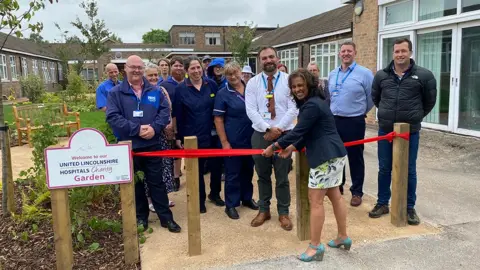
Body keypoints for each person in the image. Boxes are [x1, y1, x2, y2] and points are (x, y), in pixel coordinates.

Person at [263, 68, 351, 262]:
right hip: (335, 154)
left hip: (324, 157)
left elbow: (299, 130)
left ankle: (315, 246)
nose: (297, 89)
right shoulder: (315, 103)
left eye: (300, 85)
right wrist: (292, 147)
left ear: (309, 84)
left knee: (316, 200)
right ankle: (343, 236)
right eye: (294, 86)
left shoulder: (311, 106)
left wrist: (274, 146)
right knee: (335, 195)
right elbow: (308, 132)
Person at [106, 55, 181, 233]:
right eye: (133, 67)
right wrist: (137, 129)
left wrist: (155, 128)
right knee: (137, 184)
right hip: (130, 147)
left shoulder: (154, 91)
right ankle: (141, 218)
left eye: (140, 67)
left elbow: (164, 112)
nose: (137, 71)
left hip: (152, 145)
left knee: (157, 182)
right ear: (126, 68)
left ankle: (166, 218)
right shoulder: (115, 93)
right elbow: (113, 117)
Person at [370, 38, 437, 225]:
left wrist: (415, 116)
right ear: (393, 53)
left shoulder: (424, 76)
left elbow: (429, 101)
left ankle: (409, 207)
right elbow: (376, 97)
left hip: (410, 132)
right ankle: (382, 203)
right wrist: (387, 114)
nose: (400, 55)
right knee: (384, 168)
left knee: (409, 170)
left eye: (403, 51)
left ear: (410, 52)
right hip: (386, 130)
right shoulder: (382, 76)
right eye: (397, 51)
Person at [245, 46, 298, 230]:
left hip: (284, 134)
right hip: (261, 134)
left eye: (271, 57)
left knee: (282, 176)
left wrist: (278, 129)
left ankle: (283, 212)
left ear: (277, 58)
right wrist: (267, 128)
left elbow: (294, 108)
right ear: (260, 61)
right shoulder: (252, 83)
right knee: (262, 175)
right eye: (264, 58)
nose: (268, 60)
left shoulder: (289, 80)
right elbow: (251, 110)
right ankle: (264, 209)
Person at [173, 56, 224, 213]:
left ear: (202, 68)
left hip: (213, 134)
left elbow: (219, 108)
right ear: (187, 71)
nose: (196, 71)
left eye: (198, 67)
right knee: (197, 170)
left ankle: (214, 194)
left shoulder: (212, 85)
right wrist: (177, 137)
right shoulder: (181, 89)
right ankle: (199, 199)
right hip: (193, 136)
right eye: (192, 68)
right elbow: (177, 115)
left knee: (216, 167)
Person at [327, 41, 374, 206]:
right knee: (336, 155)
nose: (346, 54)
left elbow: (371, 97)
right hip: (334, 120)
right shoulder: (333, 74)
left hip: (354, 120)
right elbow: (330, 96)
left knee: (355, 157)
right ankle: (338, 186)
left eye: (349, 51)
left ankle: (357, 192)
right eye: (343, 51)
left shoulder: (365, 74)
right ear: (339, 54)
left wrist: (360, 111)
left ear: (355, 53)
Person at [213, 62, 258, 219]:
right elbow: (218, 119)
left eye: (235, 72)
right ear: (225, 76)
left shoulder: (251, 89)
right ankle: (231, 204)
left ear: (241, 72)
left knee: (248, 170)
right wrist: (224, 142)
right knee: (232, 173)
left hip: (251, 138)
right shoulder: (222, 93)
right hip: (233, 139)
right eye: (229, 74)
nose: (233, 76)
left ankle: (246, 198)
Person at [144, 63, 176, 209]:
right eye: (150, 75)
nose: (153, 77)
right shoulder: (142, 91)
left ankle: (163, 197)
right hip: (148, 135)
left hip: (162, 135)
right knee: (150, 170)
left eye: (155, 75)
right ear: (145, 76)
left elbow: (169, 108)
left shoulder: (161, 90)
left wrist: (169, 126)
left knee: (164, 167)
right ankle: (150, 200)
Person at [160, 56, 185, 191]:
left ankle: (177, 173)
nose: (178, 68)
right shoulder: (165, 85)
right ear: (171, 68)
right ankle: (174, 177)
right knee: (173, 150)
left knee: (182, 149)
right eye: (175, 65)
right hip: (171, 122)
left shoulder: (187, 83)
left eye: (181, 65)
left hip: (185, 121)